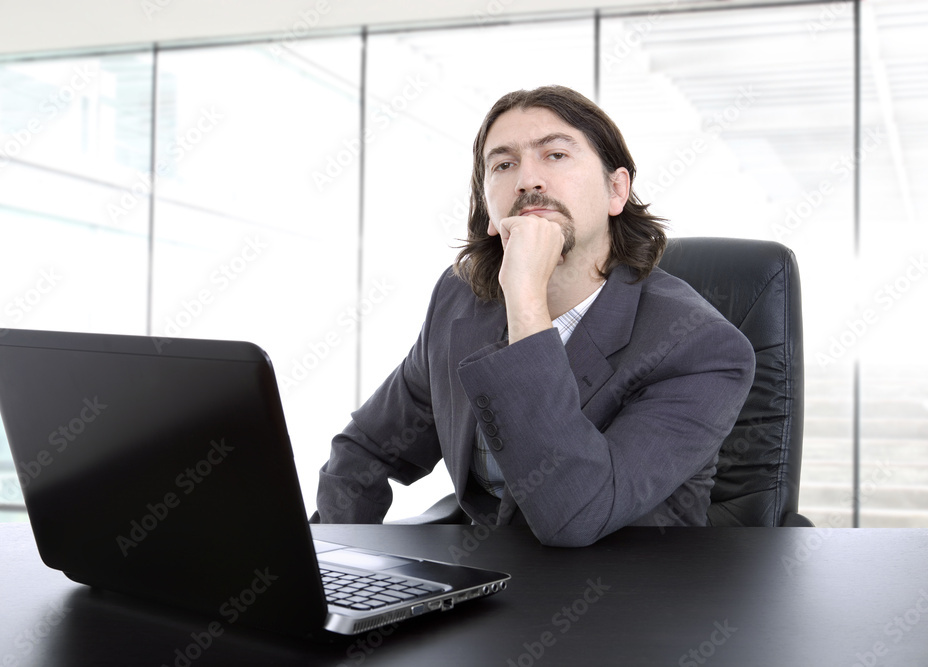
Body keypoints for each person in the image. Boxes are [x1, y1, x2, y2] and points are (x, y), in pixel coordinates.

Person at [314, 85, 755, 547]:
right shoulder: (460, 299)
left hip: (624, 581)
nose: (527, 180)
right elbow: (364, 451)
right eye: (503, 165)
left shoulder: (700, 347)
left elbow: (576, 515)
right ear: (488, 209)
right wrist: (337, 560)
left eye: (555, 155)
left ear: (616, 190)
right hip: (486, 573)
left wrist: (526, 298)